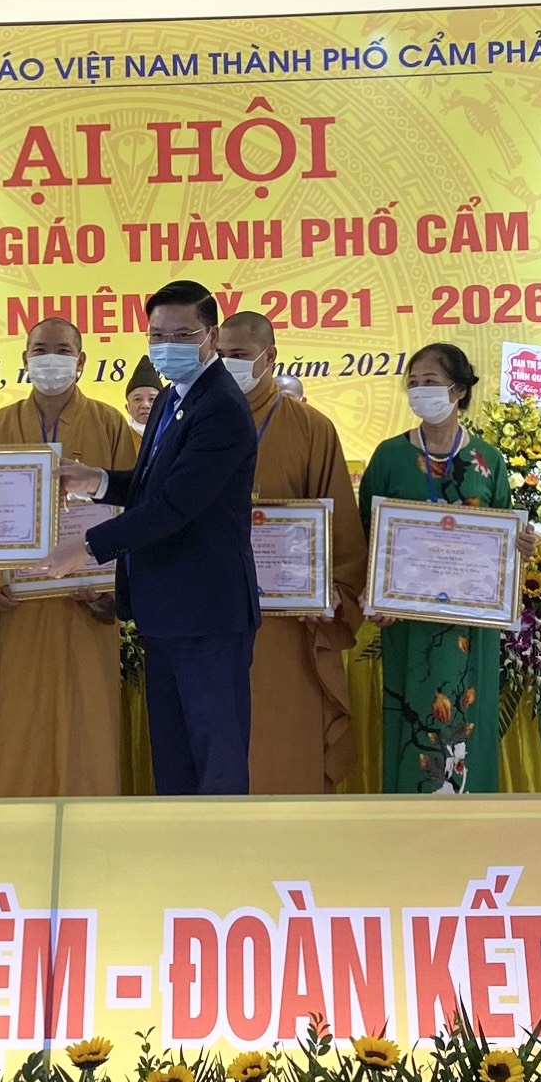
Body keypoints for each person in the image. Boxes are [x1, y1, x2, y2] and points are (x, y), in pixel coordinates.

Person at [50, 281, 260, 795]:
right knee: (174, 756)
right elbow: (152, 486)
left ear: (211, 336)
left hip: (207, 613)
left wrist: (86, 547)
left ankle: (223, 847)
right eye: (157, 335)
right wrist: (97, 480)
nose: (168, 345)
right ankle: (179, 844)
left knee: (215, 759)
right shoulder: (171, 397)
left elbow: (175, 506)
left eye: (183, 334)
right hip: (165, 608)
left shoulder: (221, 407)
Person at [0, 319, 139, 796]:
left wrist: (113, 589)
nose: (51, 359)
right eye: (40, 349)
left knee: (88, 717)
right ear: (25, 359)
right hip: (19, 607)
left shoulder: (109, 423)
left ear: (81, 361)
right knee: (17, 718)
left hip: (86, 603)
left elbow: (134, 508)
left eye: (63, 350)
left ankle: (90, 813)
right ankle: (12, 816)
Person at [356, 344, 513, 794]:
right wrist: (373, 593)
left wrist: (519, 545)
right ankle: (410, 810)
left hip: (470, 623)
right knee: (413, 716)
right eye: (414, 383)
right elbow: (364, 531)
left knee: (468, 714)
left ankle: (470, 813)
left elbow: (502, 534)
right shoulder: (389, 456)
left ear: (459, 390)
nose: (420, 390)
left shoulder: (489, 460)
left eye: (431, 382)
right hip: (406, 619)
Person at [217, 310, 363, 793]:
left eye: (239, 355)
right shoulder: (192, 421)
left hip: (288, 626)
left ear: (270, 357)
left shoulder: (310, 428)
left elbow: (341, 525)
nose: (228, 365)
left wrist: (334, 592)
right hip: (213, 617)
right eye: (220, 355)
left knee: (284, 748)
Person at [124, 357, 161, 435]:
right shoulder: (119, 436)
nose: (145, 405)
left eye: (152, 399)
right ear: (127, 408)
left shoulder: (175, 434)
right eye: (137, 399)